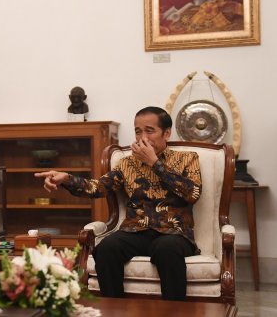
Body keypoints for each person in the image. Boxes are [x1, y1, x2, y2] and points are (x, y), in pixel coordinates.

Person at [35, 106, 202, 301]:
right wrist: (66, 179)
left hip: (174, 233)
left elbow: (193, 193)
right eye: (138, 131)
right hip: (135, 231)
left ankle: (174, 313)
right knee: (107, 247)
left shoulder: (187, 159)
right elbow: (97, 187)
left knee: (166, 249)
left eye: (149, 131)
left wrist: (154, 163)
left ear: (166, 133)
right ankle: (115, 310)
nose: (142, 137)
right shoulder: (126, 163)